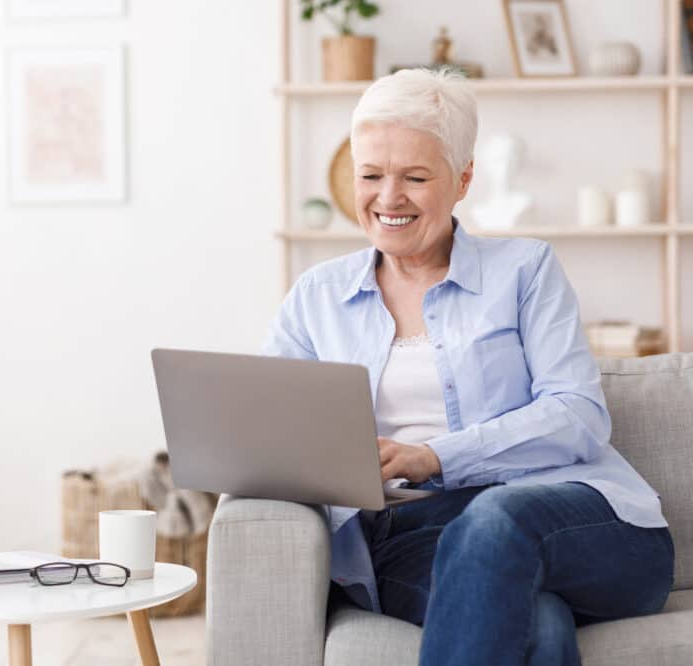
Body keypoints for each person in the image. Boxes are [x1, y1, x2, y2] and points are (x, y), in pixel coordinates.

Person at [262, 68, 674, 666]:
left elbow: (580, 414)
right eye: (371, 175)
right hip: (410, 539)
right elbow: (272, 431)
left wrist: (434, 457)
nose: (388, 197)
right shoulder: (315, 297)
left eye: (415, 177)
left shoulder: (526, 270)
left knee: (496, 515)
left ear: (463, 180)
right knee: (541, 628)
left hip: (577, 520)